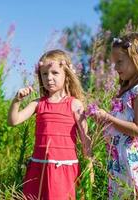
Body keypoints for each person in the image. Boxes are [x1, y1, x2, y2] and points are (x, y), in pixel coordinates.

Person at [8, 49, 91, 200]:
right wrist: (16, 101)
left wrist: (89, 166)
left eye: (54, 73)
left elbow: (85, 139)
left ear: (67, 75)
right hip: (38, 167)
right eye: (44, 74)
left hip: (64, 168)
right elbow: (14, 121)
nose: (49, 78)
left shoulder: (74, 104)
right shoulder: (38, 104)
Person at [92, 33, 138, 199]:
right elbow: (120, 125)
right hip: (119, 160)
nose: (115, 67)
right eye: (114, 63)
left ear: (136, 60)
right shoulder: (126, 92)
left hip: (131, 161)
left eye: (120, 62)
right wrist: (102, 121)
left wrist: (108, 118)